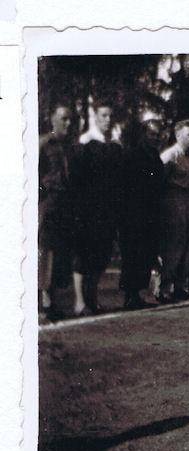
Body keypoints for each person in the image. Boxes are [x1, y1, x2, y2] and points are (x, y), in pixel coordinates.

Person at [69, 99, 124, 315]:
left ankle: (91, 299)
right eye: (103, 115)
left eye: (110, 116)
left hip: (106, 209)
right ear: (95, 117)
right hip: (87, 209)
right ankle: (79, 302)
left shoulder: (113, 144)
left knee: (100, 255)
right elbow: (77, 178)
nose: (108, 120)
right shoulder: (85, 142)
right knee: (83, 255)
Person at [119, 119, 165, 309]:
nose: (155, 138)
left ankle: (138, 294)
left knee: (147, 253)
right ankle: (130, 295)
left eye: (158, 135)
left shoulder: (155, 157)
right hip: (134, 213)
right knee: (133, 254)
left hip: (151, 213)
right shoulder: (133, 155)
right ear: (143, 134)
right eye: (152, 134)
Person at [38, 103, 74, 320]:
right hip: (49, 203)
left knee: (60, 251)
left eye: (70, 119)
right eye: (63, 119)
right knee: (46, 250)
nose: (68, 123)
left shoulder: (69, 146)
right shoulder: (43, 144)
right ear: (52, 119)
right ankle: (44, 301)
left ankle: (52, 300)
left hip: (65, 203)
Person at [159, 119, 189, 302]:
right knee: (173, 245)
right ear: (178, 135)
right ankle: (164, 288)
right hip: (173, 201)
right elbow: (160, 181)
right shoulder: (170, 155)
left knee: (187, 245)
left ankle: (179, 286)